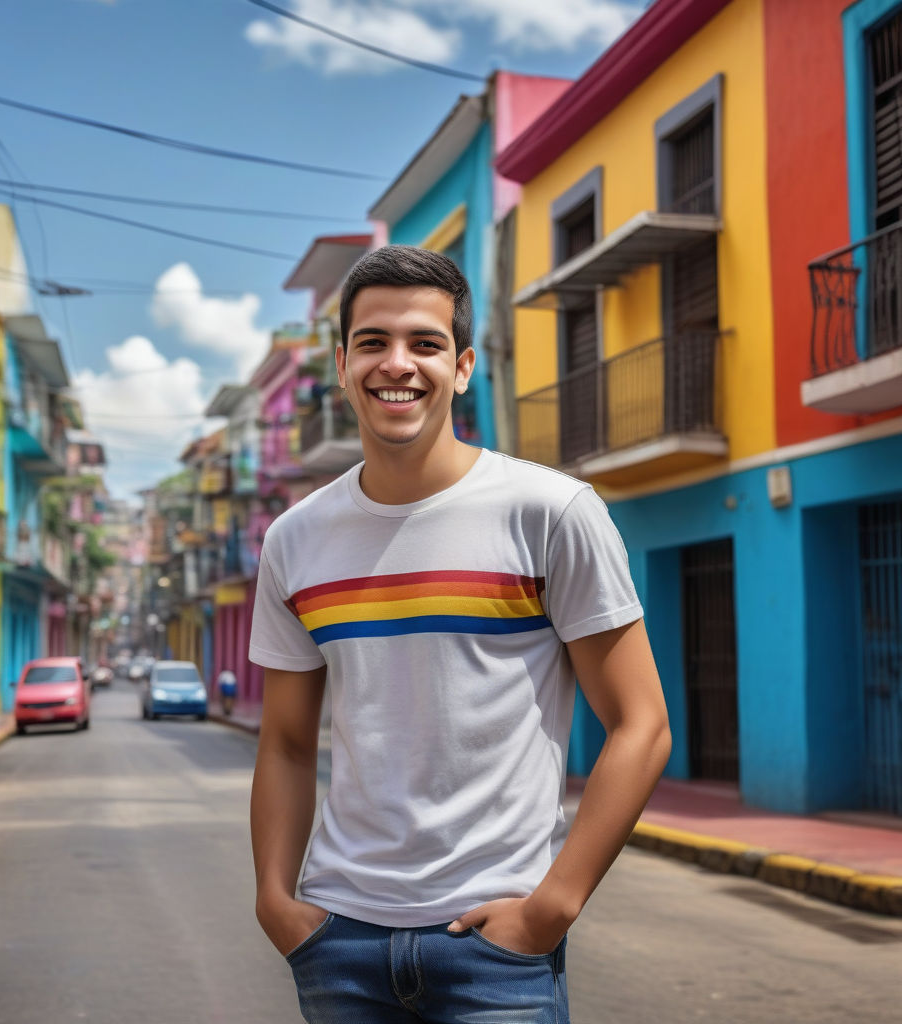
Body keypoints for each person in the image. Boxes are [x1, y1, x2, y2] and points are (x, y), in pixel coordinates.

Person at [249, 245, 672, 1023]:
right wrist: (276, 902)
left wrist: (551, 908)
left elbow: (640, 724)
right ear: (342, 365)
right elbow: (284, 741)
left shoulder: (551, 512)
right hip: (339, 945)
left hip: (495, 957)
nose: (397, 364)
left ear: (464, 365)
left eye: (426, 343)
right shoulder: (296, 540)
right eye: (372, 342)